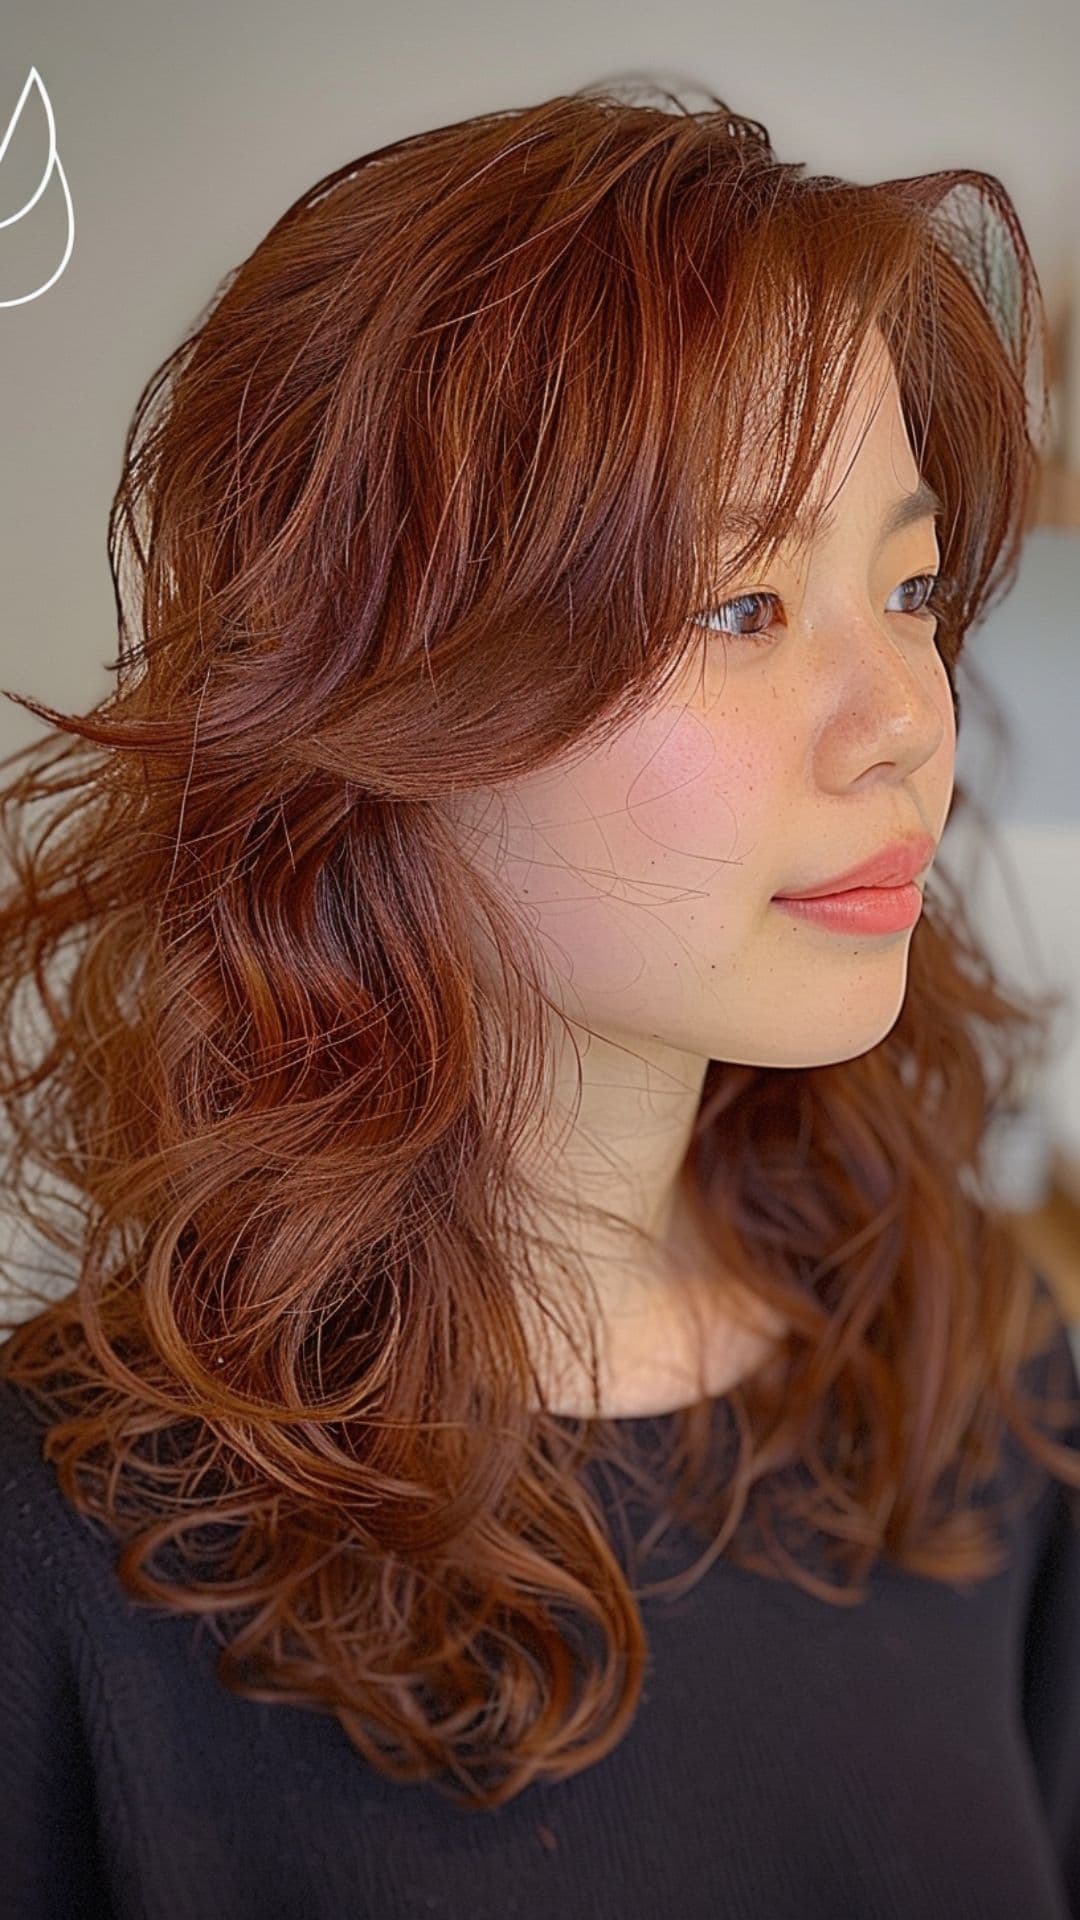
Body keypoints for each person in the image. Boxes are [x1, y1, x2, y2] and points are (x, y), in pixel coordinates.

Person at [1, 76, 1079, 1919]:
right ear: (382, 687)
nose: (909, 718)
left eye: (909, 589)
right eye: (739, 606)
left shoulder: (977, 1404)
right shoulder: (65, 1550)